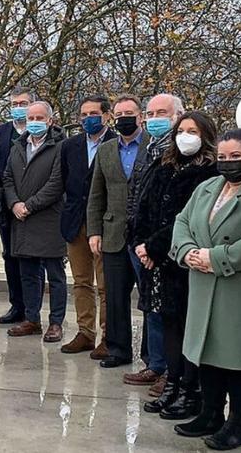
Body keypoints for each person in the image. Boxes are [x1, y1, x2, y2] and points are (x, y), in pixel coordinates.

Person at [170, 128, 241, 450]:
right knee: (209, 356)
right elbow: (182, 222)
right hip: (203, 284)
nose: (227, 164)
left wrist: (214, 258)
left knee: (239, 360)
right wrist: (187, 251)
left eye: (236, 157)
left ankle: (237, 426)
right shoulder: (207, 188)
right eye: (222, 158)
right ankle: (210, 414)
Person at [130, 111, 219, 421]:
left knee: (187, 327)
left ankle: (189, 389)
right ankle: (172, 384)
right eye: (181, 130)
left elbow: (189, 217)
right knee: (167, 323)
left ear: (206, 135)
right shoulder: (164, 163)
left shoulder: (211, 172)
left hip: (184, 259)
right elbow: (143, 203)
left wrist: (155, 245)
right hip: (155, 261)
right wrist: (142, 243)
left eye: (192, 130)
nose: (185, 136)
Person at [124, 93, 186, 393]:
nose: (155, 118)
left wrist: (154, 246)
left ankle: (172, 372)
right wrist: (138, 240)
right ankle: (156, 363)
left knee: (169, 310)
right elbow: (139, 197)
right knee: (150, 305)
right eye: (150, 113)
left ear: (179, 115)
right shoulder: (149, 149)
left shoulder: (181, 155)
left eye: (163, 112)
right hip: (142, 241)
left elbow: (178, 208)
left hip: (168, 246)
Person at [87, 94, 151, 370]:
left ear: (140, 116)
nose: (125, 118)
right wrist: (94, 231)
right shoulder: (106, 150)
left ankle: (151, 356)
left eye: (130, 113)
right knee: (114, 295)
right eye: (120, 113)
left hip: (146, 236)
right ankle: (118, 348)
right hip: (112, 233)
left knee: (149, 297)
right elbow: (96, 194)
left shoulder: (155, 146)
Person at [2, 101, 67, 342]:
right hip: (21, 220)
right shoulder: (18, 146)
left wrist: (29, 205)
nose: (34, 122)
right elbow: (7, 178)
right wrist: (14, 204)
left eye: (40, 117)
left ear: (50, 120)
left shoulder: (61, 146)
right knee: (28, 274)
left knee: (55, 275)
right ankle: (32, 319)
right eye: (31, 118)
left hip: (49, 219)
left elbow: (56, 183)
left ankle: (56, 322)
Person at [59, 95, 116, 356]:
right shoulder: (70, 145)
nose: (87, 119)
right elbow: (62, 181)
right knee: (81, 281)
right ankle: (85, 332)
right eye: (83, 114)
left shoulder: (116, 143)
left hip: (104, 224)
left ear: (106, 115)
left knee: (106, 285)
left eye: (93, 113)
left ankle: (108, 335)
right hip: (74, 222)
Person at [0, 86, 37, 325]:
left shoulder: (45, 133)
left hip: (36, 209)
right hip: (6, 207)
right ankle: (16, 306)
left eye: (24, 103)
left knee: (33, 261)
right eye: (14, 104)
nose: (18, 108)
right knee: (10, 257)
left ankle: (34, 310)